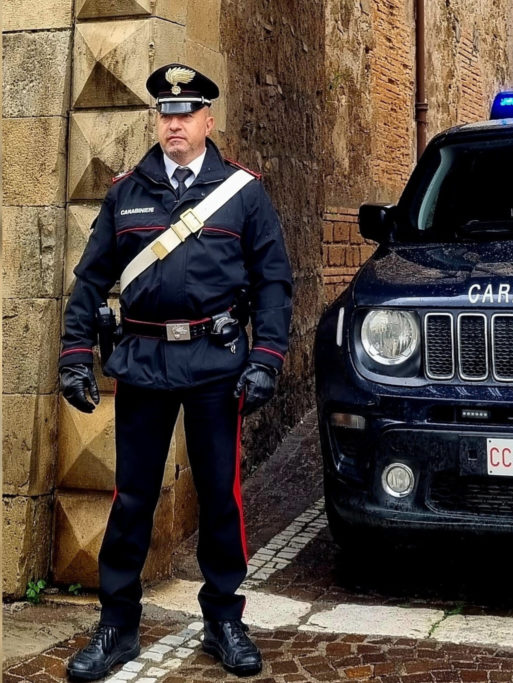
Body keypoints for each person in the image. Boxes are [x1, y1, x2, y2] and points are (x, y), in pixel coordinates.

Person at [60, 63, 292, 680]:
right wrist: (75, 354)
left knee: (220, 496)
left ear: (208, 120)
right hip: (143, 361)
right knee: (132, 497)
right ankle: (117, 626)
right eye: (166, 113)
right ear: (156, 121)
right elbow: (90, 280)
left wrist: (267, 358)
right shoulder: (126, 192)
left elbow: (273, 282)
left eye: (186, 113)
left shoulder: (242, 193)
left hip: (215, 365)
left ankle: (224, 620)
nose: (175, 124)